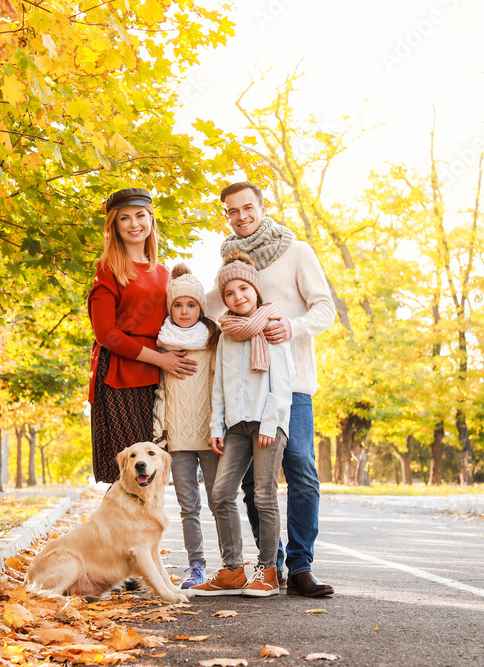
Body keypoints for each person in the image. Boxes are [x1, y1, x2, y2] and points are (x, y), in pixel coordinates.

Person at [206, 181, 337, 597]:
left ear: (262, 207)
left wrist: (292, 327)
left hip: (291, 381)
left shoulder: (297, 251)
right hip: (245, 391)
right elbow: (210, 308)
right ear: (226, 215)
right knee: (250, 483)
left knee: (300, 467)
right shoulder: (230, 263)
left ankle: (301, 565)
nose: (241, 216)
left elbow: (325, 308)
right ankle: (271, 564)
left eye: (248, 208)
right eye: (232, 211)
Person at [191, 252, 294, 598]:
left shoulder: (272, 328)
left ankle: (268, 571)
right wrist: (216, 427)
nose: (238, 297)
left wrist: (270, 423)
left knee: (264, 495)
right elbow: (219, 384)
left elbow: (283, 386)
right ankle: (233, 569)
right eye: (230, 293)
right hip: (235, 426)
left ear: (255, 288)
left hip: (268, 425)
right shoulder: (226, 335)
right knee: (220, 493)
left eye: (243, 289)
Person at [87, 187, 197, 483]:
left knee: (153, 472)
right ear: (114, 225)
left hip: (157, 377)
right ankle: (115, 530)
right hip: (120, 376)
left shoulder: (163, 273)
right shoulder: (108, 268)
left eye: (140, 216)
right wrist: (160, 360)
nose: (134, 224)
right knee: (128, 473)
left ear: (150, 219)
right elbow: (105, 333)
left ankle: (143, 531)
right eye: (125, 218)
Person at [152, 264, 221, 589]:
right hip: (176, 437)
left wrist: (219, 425)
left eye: (191, 304)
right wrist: (159, 432)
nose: (184, 311)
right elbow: (161, 393)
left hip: (211, 435)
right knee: (188, 506)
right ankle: (196, 566)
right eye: (177, 305)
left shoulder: (213, 340)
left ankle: (230, 565)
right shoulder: (162, 344)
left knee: (220, 500)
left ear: (200, 307)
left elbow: (219, 385)